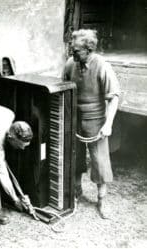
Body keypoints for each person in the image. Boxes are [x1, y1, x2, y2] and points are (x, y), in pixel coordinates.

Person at [62, 29, 120, 219]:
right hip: (74, 118)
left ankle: (102, 200)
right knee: (75, 157)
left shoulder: (102, 65)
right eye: (72, 49)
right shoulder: (71, 63)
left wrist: (108, 124)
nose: (73, 53)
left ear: (89, 49)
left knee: (99, 160)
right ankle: (76, 192)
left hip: (96, 120)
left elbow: (114, 97)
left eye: (77, 50)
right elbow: (63, 89)